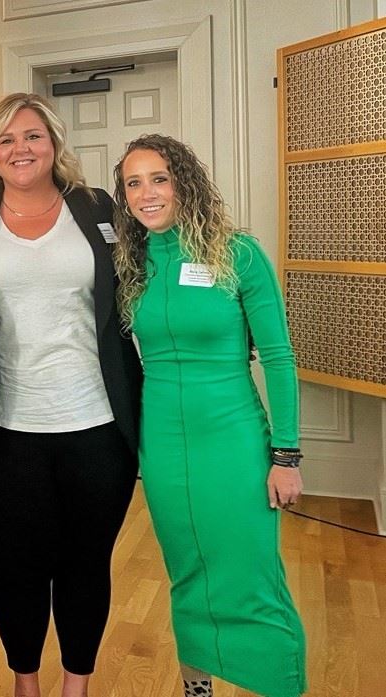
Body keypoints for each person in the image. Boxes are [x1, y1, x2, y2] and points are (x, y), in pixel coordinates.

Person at [0, 92, 142, 697]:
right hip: (6, 427)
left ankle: (74, 687)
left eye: (31, 136)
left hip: (99, 423)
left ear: (54, 144)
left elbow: (147, 286)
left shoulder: (97, 207)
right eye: (5, 139)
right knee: (16, 567)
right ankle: (26, 685)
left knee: (86, 564)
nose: (19, 149)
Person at [113, 134, 306, 697]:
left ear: (184, 182)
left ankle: (281, 685)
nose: (147, 193)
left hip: (233, 439)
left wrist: (285, 455)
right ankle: (198, 690)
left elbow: (279, 357)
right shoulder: (135, 263)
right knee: (188, 572)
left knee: (252, 576)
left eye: (159, 178)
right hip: (166, 446)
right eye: (133, 183)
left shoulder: (236, 253)